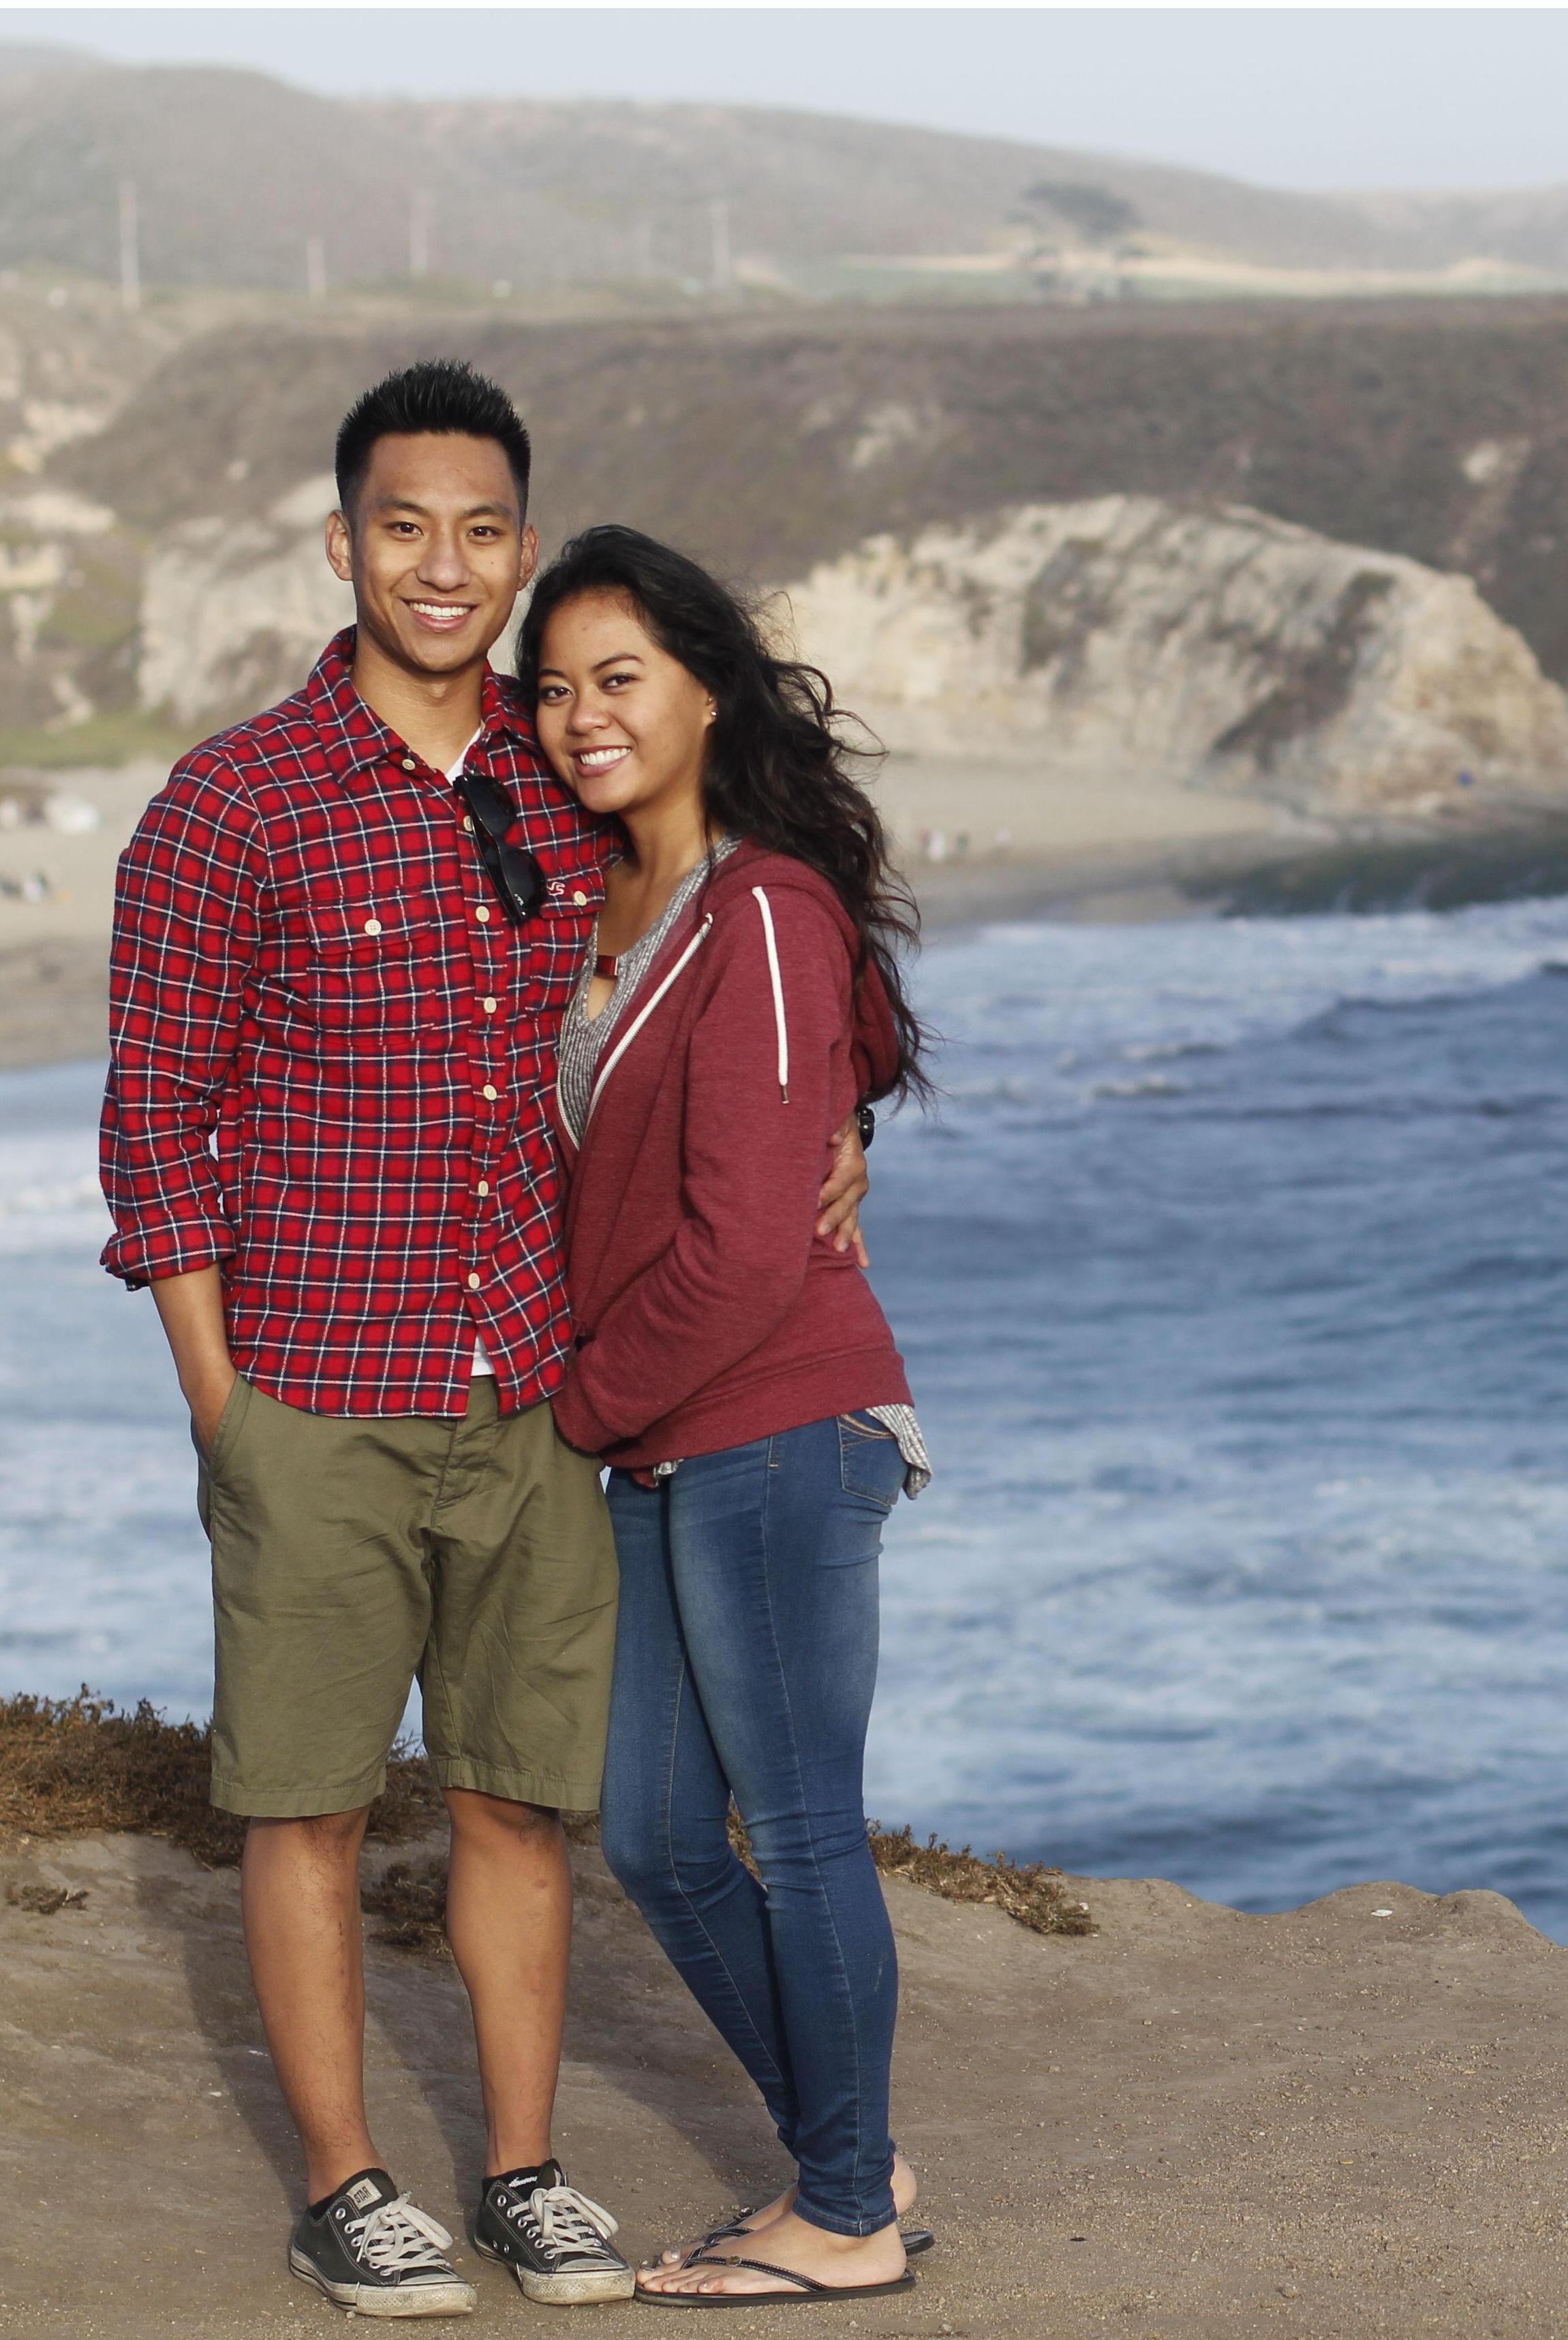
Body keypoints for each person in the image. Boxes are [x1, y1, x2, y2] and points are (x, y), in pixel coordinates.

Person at [99, 361, 872, 2319]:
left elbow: (737, 946)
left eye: (479, 531)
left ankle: (524, 2171)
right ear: (342, 541)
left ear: (519, 549)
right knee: (306, 1798)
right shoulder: (230, 800)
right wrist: (228, 1413)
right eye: (402, 525)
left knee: (525, 1796)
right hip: (313, 1388)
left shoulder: (561, 785)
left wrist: (845, 1117)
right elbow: (150, 1126)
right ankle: (348, 2181)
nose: (441, 565)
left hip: (535, 1387)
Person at [520, 525, 929, 2305]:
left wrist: (575, 1406)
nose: (577, 716)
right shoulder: (590, 897)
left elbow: (754, 1241)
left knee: (799, 1824)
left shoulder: (760, 903)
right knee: (663, 1839)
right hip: (656, 1442)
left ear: (705, 687)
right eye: (551, 688)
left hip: (769, 1425)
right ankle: (855, 2158)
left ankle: (840, 2210)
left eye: (617, 678)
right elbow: (811, 1093)